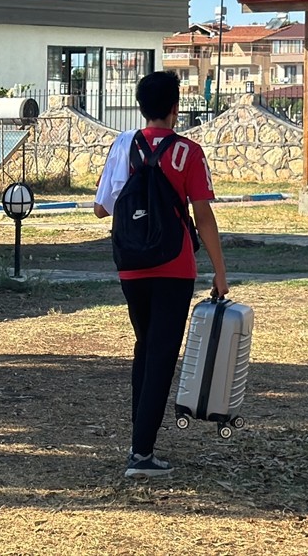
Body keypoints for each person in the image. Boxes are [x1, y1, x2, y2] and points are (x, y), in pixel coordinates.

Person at [93, 71, 229, 479]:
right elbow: (203, 216)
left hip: (131, 263)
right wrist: (220, 274)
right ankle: (141, 453)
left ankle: (140, 439)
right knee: (162, 353)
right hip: (174, 266)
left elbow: (101, 208)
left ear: (141, 106)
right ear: (175, 108)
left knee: (145, 346)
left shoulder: (123, 145)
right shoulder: (188, 152)